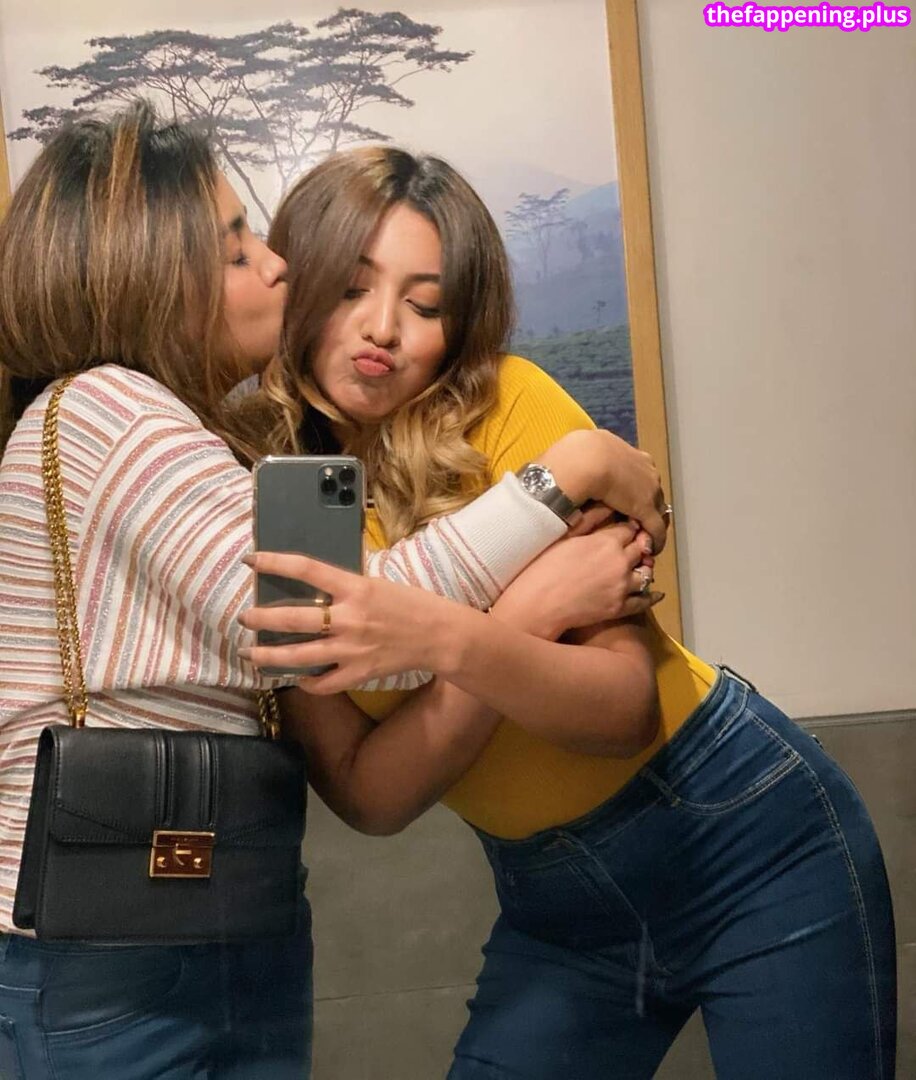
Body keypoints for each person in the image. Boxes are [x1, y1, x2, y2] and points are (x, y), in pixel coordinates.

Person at [0, 105, 667, 1079]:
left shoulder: (176, 432)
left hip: (196, 923)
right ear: (152, 277)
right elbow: (348, 626)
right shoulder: (111, 407)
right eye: (237, 250)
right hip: (116, 952)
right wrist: (566, 473)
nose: (275, 266)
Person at [246, 145, 897, 1079]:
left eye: (425, 305)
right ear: (299, 281)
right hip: (560, 911)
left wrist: (440, 637)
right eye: (352, 288)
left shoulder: (508, 406)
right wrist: (522, 618)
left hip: (748, 839)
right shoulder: (274, 500)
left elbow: (622, 708)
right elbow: (369, 794)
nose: (382, 327)